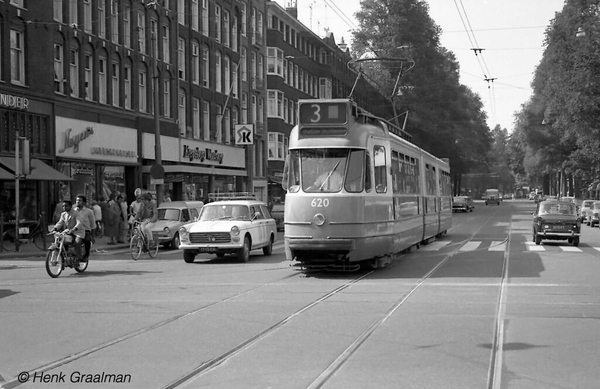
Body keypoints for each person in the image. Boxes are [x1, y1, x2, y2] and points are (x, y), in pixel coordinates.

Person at [73, 195, 96, 261]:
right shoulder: (73, 211)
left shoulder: (89, 212)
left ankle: (85, 255)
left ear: (84, 203)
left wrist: (93, 236)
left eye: (79, 200)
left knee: (86, 240)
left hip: (86, 231)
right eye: (76, 200)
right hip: (75, 231)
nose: (77, 202)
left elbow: (93, 224)